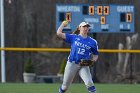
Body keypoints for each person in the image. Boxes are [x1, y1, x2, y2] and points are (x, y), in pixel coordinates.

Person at [57, 20, 99, 93]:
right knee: (65, 86)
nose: (86, 28)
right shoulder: (73, 37)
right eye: (84, 26)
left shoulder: (93, 42)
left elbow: (95, 55)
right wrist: (62, 25)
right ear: (79, 28)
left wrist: (93, 61)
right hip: (71, 64)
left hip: (83, 65)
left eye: (87, 27)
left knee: (90, 84)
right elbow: (59, 33)